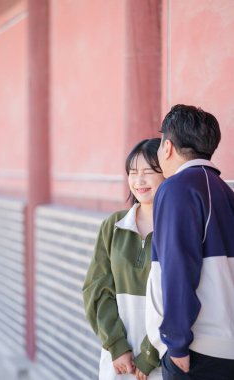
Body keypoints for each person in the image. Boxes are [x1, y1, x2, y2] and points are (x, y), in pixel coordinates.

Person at [145, 104, 234, 380]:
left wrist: (176, 342)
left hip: (197, 351)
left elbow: (178, 269)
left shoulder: (177, 189)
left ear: (168, 146)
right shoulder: (224, 191)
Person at [83, 138, 164, 380]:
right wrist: (117, 346)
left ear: (167, 175)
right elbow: (96, 290)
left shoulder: (176, 227)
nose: (139, 180)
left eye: (148, 172)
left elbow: (179, 297)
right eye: (133, 172)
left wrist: (149, 354)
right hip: (118, 361)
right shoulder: (114, 225)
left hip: (163, 358)